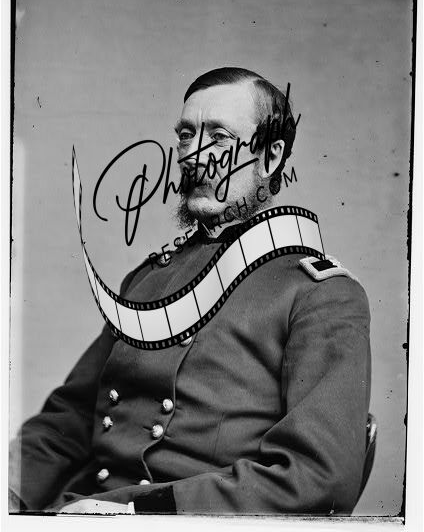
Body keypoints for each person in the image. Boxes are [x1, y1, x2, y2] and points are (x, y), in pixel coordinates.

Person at [9, 67, 371, 515]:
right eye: (185, 135)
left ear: (271, 157)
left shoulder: (320, 295)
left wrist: (141, 512)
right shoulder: (147, 280)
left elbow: (318, 477)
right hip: (74, 512)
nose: (195, 156)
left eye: (219, 137)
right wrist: (11, 490)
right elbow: (69, 419)